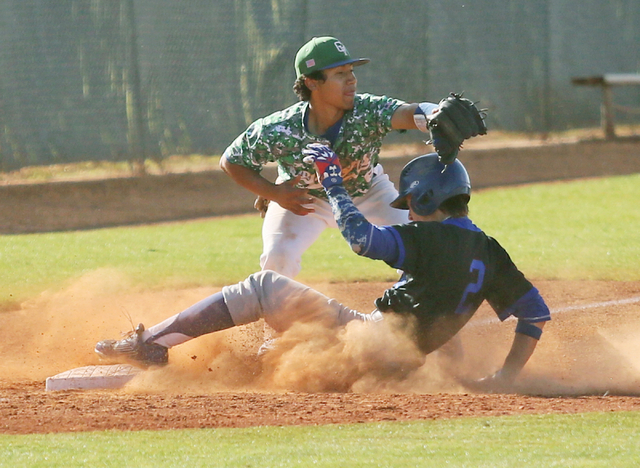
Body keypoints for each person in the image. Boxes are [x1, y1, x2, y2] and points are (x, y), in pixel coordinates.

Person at [96, 147, 550, 392]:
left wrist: (333, 181)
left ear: (428, 199)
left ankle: (149, 344)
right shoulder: (490, 251)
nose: (408, 213)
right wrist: (507, 377)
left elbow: (362, 240)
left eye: (410, 203)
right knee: (274, 351)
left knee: (264, 287)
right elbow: (535, 314)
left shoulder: (431, 238)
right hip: (410, 362)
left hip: (372, 345)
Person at [220, 35, 443, 279]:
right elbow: (231, 161)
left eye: (351, 71)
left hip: (368, 191)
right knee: (277, 259)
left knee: (422, 244)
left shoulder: (367, 110)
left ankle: (417, 311)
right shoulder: (279, 128)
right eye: (339, 73)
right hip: (305, 199)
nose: (352, 80)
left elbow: (409, 113)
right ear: (312, 82)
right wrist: (272, 193)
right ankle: (280, 313)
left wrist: (435, 113)